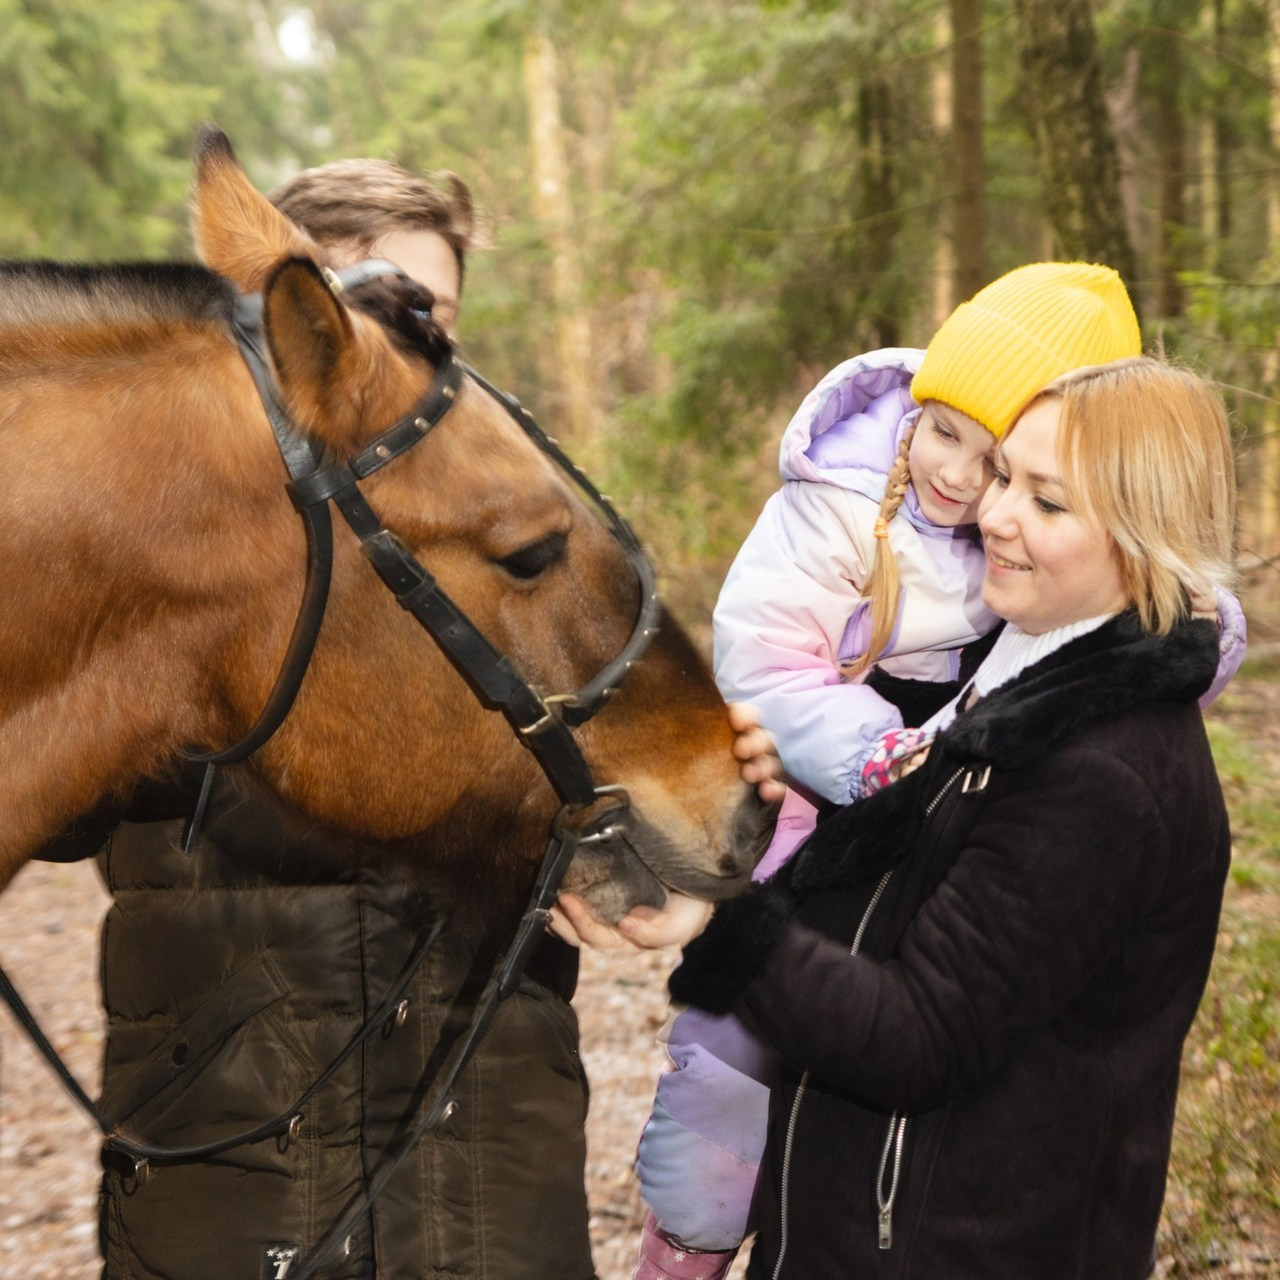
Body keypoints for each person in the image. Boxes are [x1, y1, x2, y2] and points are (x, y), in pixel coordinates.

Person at [619, 265, 1245, 1279]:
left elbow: (918, 1031)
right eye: (1005, 478)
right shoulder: (1014, 681)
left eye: (1041, 496)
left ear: (1138, 538)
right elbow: (872, 917)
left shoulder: (1103, 775)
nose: (990, 510)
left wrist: (717, 920)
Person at [44, 158, 596, 1280]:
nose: (386, 344)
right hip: (233, 1161)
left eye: (423, 311)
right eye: (351, 305)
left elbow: (625, 791)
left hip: (481, 1164)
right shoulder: (158, 530)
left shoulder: (517, 534)